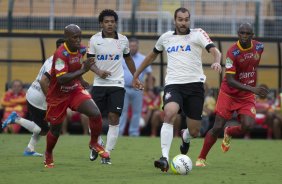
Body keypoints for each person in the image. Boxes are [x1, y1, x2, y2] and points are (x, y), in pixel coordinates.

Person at [132, 7, 222, 172]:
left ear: (189, 20)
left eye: (186, 19)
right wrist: (136, 75)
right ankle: (164, 158)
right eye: (180, 19)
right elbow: (151, 56)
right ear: (175, 20)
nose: (183, 22)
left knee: (195, 131)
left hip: (195, 85)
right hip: (174, 84)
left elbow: (215, 51)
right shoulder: (166, 37)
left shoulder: (198, 33)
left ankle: (185, 136)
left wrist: (216, 61)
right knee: (169, 113)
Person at [195, 22, 269, 167]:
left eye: (248, 34)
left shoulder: (259, 47)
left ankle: (229, 131)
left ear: (252, 36)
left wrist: (251, 86)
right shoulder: (232, 52)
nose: (244, 36)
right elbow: (230, 80)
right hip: (229, 94)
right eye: (242, 33)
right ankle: (201, 158)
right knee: (217, 127)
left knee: (248, 126)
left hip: (246, 95)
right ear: (238, 34)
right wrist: (253, 89)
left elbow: (251, 66)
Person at [44, 24, 109, 168]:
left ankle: (93, 143)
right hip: (58, 96)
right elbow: (61, 79)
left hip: (74, 90)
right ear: (66, 38)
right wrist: (83, 72)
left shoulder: (81, 49)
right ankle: (48, 153)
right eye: (75, 37)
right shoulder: (60, 54)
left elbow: (85, 64)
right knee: (55, 129)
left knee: (95, 113)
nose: (78, 40)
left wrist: (91, 74)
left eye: (80, 36)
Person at [87, 9, 137, 164]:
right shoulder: (94, 40)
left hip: (117, 84)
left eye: (112, 22)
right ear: (101, 24)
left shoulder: (123, 40)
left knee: (114, 118)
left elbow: (128, 59)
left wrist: (136, 77)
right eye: (106, 22)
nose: (109, 24)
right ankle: (97, 143)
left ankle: (107, 154)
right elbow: (89, 62)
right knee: (94, 118)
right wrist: (98, 71)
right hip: (99, 84)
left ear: (116, 23)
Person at [1, 39, 65, 156]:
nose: (67, 51)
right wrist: (52, 100)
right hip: (39, 99)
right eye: (64, 48)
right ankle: (16, 119)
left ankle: (30, 149)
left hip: (34, 94)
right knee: (43, 129)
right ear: (58, 49)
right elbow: (43, 82)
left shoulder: (54, 58)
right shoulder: (57, 62)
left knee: (42, 125)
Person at [118, 37, 153, 136]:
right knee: (122, 111)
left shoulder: (143, 58)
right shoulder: (122, 58)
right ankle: (119, 132)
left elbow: (149, 74)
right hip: (124, 88)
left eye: (135, 46)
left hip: (138, 89)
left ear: (138, 46)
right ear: (128, 47)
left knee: (137, 112)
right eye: (131, 46)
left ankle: (134, 133)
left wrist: (150, 89)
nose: (133, 48)